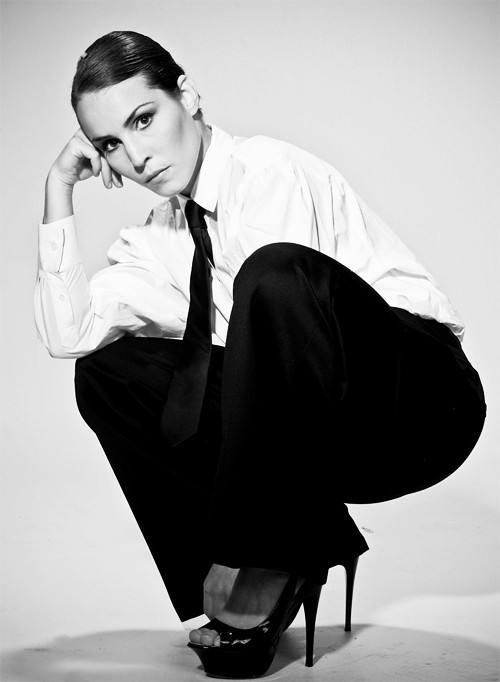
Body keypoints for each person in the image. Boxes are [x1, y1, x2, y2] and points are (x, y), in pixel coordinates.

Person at [34, 30, 486, 679]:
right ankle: (277, 556)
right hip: (320, 443)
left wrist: (246, 535)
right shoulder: (158, 238)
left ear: (187, 95)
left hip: (417, 404)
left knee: (274, 277)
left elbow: (293, 338)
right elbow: (68, 333)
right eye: (109, 144)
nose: (135, 156)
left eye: (143, 119)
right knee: (108, 372)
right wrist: (59, 187)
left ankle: (261, 564)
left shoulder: (269, 172)